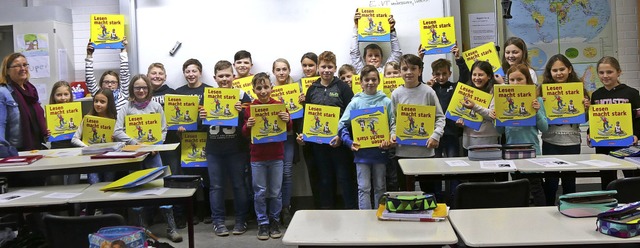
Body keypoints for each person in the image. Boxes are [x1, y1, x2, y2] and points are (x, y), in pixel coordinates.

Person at [296, 51, 357, 210]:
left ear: (335, 68)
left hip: (339, 142)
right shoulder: (312, 89)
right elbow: (307, 114)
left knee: (345, 177)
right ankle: (326, 211)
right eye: (323, 66)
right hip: (318, 144)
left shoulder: (343, 87)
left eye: (330, 67)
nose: (326, 70)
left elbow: (351, 114)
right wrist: (304, 134)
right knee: (324, 178)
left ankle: (351, 210)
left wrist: (340, 136)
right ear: (318, 68)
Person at [202, 60, 251, 237]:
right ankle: (218, 222)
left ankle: (240, 220)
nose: (224, 79)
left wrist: (241, 112)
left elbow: (250, 124)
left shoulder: (242, 95)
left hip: (236, 148)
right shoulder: (206, 96)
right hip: (214, 149)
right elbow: (199, 127)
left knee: (239, 185)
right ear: (215, 78)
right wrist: (201, 118)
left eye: (227, 75)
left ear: (233, 76)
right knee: (216, 186)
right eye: (220, 76)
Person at [242, 73, 292, 240]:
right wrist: (247, 126)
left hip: (277, 155)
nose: (263, 91)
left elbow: (288, 128)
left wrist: (288, 119)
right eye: (259, 88)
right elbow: (245, 133)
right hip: (257, 157)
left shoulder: (279, 105)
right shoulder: (250, 108)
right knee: (260, 192)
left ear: (271, 87)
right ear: (254, 90)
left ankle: (275, 221)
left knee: (276, 192)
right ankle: (262, 223)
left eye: (266, 87)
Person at [338, 65, 393, 209]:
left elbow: (393, 123)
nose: (370, 82)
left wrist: (390, 139)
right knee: (363, 187)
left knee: (380, 186)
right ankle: (364, 219)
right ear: (361, 82)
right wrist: (348, 142)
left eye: (373, 79)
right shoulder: (355, 102)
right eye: (366, 80)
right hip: (361, 152)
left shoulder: (386, 101)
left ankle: (380, 214)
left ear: (378, 81)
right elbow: (341, 125)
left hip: (380, 151)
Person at [389, 54, 445, 193]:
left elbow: (440, 118)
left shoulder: (428, 92)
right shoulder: (396, 94)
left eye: (413, 68)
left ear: (419, 71)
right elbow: (393, 120)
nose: (409, 72)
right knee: (406, 190)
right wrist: (393, 134)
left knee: (428, 190)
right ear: (400, 72)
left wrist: (435, 136)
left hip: (425, 151)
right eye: (405, 69)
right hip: (403, 152)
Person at [539, 54, 589, 205]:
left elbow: (585, 119)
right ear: (550, 72)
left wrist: (586, 109)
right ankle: (547, 209)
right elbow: (539, 116)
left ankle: (570, 208)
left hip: (572, 142)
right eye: (555, 70)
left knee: (569, 180)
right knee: (551, 181)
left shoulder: (580, 90)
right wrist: (541, 104)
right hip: (550, 141)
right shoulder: (542, 90)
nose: (559, 73)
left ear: (569, 69)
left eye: (562, 69)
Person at [496, 64, 549, 206]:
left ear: (528, 80)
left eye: (519, 79)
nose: (515, 83)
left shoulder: (536, 100)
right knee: (517, 187)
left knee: (535, 187)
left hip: (532, 151)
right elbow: (499, 132)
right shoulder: (503, 99)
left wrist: (537, 111)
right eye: (512, 80)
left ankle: (541, 215)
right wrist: (498, 118)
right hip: (512, 151)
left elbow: (544, 128)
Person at [587, 56, 640, 189]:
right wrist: (590, 133)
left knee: (631, 177)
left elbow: (639, 118)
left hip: (626, 143)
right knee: (607, 178)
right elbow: (595, 119)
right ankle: (609, 205)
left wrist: (637, 135)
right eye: (601, 72)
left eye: (609, 72)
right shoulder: (596, 95)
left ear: (619, 72)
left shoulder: (632, 93)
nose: (605, 76)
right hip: (603, 145)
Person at [424, 45, 468, 202]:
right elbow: (417, 86)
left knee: (453, 166)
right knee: (435, 167)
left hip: (451, 133)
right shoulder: (429, 88)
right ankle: (436, 197)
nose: (441, 77)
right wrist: (421, 58)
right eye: (438, 74)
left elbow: (465, 78)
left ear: (449, 73)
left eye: (444, 74)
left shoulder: (454, 87)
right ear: (433, 75)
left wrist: (458, 59)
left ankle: (455, 196)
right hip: (435, 134)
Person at [175, 58, 214, 225]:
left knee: (207, 179)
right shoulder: (177, 93)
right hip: (186, 140)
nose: (191, 74)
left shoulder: (210, 91)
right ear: (184, 74)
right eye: (188, 71)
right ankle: (190, 213)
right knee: (189, 178)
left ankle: (207, 211)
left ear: (200, 72)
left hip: (207, 139)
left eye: (194, 71)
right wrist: (178, 129)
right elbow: (172, 118)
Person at [272, 58, 304, 226]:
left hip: (290, 137)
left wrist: (302, 102)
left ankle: (286, 208)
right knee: (275, 175)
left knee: (287, 173)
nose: (282, 72)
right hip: (272, 138)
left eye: (284, 69)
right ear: (274, 72)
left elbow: (303, 113)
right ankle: (275, 210)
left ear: (289, 70)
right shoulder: (268, 90)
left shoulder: (297, 90)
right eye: (278, 69)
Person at [71, 89, 117, 184]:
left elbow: (121, 143)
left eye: (102, 102)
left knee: (109, 184)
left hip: (109, 161)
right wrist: (88, 148)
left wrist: (115, 140)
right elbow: (74, 139)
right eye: (96, 101)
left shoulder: (115, 121)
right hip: (91, 159)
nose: (98, 104)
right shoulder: (87, 119)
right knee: (94, 184)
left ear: (109, 103)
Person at [456, 61, 500, 152]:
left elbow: (492, 115)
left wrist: (474, 106)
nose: (476, 78)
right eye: (474, 74)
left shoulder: (495, 92)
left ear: (489, 76)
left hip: (489, 139)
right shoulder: (466, 91)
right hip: (469, 139)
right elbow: (461, 112)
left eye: (480, 75)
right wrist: (460, 123)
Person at [350, 9, 402, 73]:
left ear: (381, 58)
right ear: (364, 58)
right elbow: (354, 53)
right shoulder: (360, 71)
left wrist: (391, 30)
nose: (373, 58)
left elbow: (397, 53)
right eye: (370, 55)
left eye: (377, 55)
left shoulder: (386, 71)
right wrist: (356, 27)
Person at [85, 38, 130, 111]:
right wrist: (89, 55)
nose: (109, 85)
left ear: (118, 84)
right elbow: (89, 79)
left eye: (113, 82)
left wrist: (123, 49)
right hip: (104, 122)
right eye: (106, 82)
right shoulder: (98, 94)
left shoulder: (123, 94)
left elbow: (124, 73)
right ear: (101, 83)